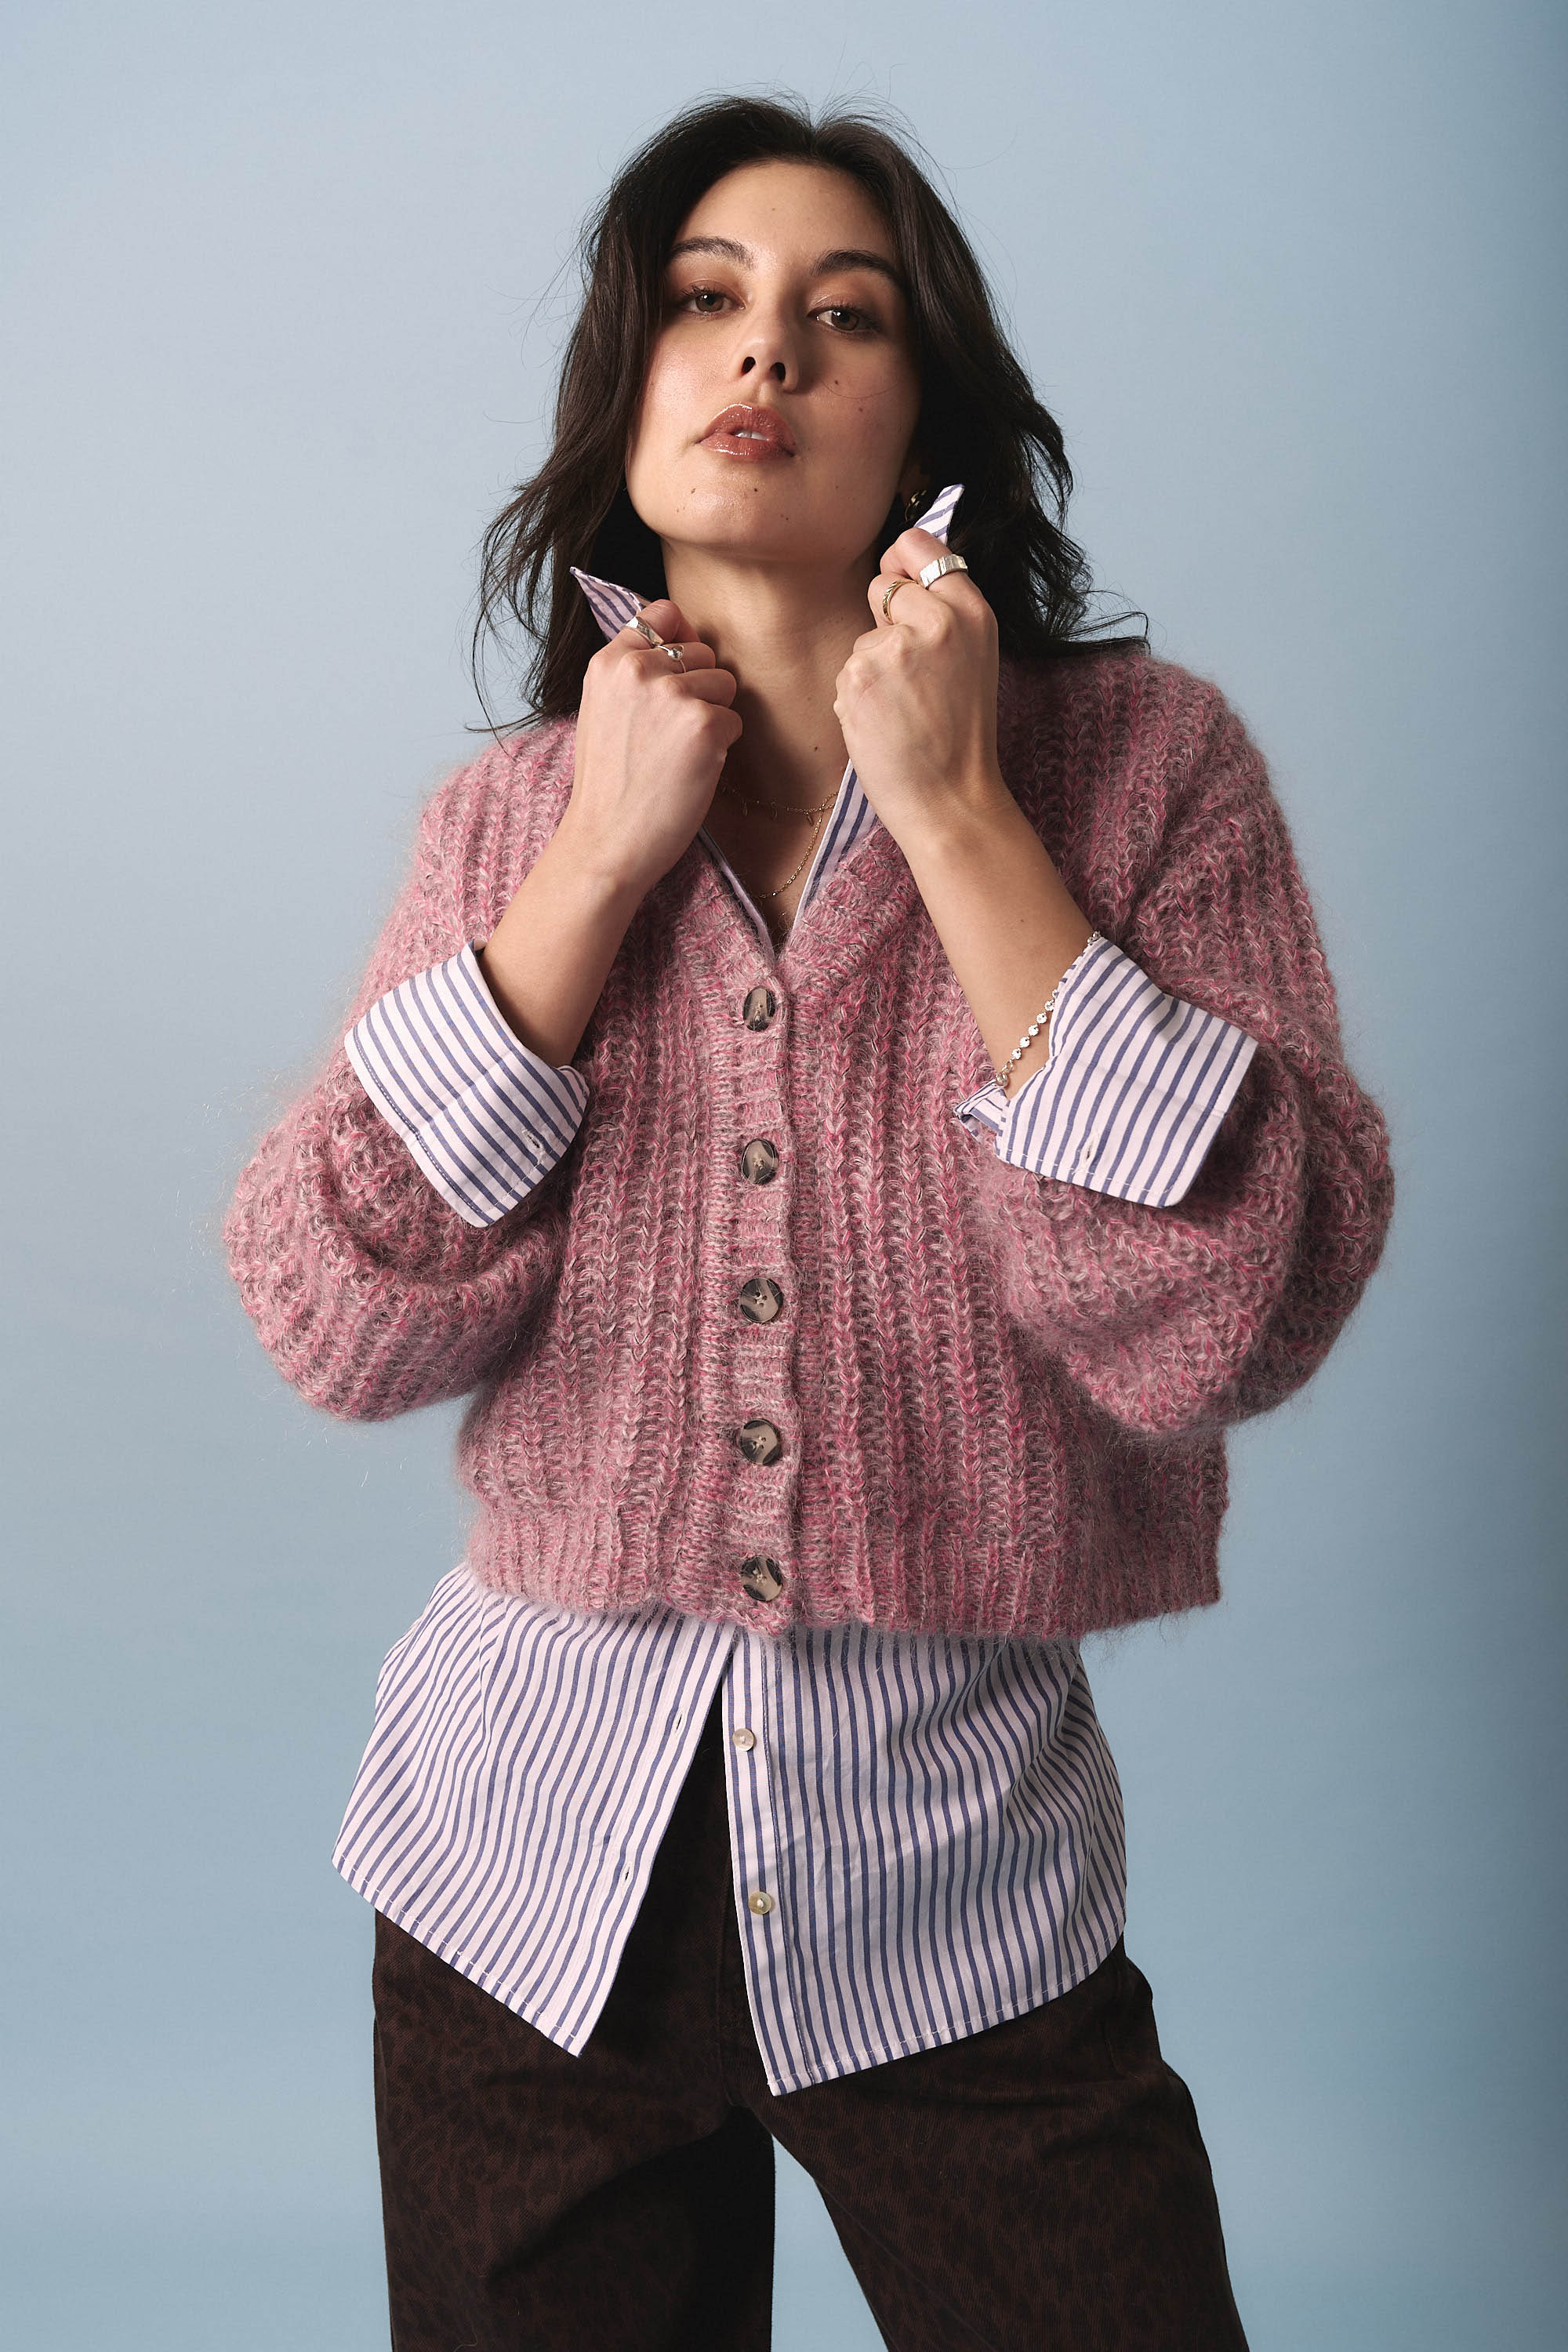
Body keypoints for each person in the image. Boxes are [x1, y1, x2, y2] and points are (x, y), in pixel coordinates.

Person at [226, 92, 1394, 2352]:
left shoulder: (1149, 772)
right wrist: (588, 870)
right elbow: (336, 1310)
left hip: (958, 1879)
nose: (763, 354)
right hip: (513, 1890)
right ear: (631, 392)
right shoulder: (512, 818)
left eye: (839, 320)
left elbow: (1231, 1313)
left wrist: (960, 816)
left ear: (924, 427)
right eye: (704, 301)